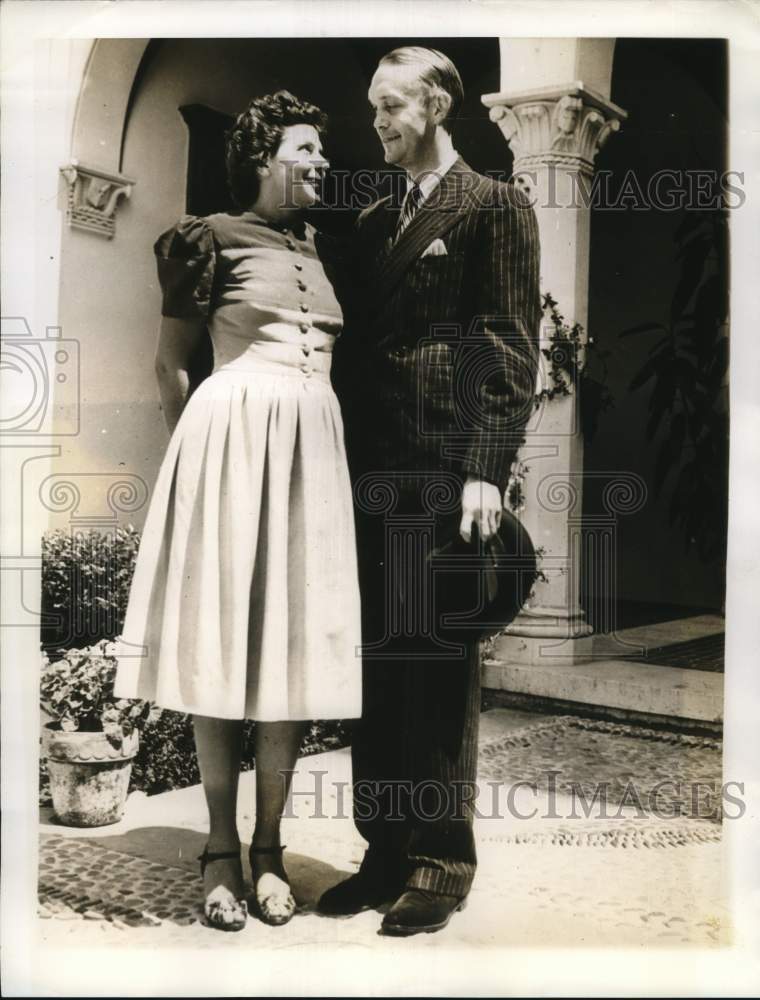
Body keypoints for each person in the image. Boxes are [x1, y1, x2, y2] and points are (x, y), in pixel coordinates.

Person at [115, 91, 362, 932]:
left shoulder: (323, 251)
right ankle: (220, 848)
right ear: (262, 157)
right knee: (221, 643)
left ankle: (269, 847)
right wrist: (202, 464)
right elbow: (169, 366)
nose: (321, 160)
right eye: (306, 146)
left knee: (292, 649)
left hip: (310, 457)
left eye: (321, 149)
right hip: (230, 447)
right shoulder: (205, 238)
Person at [322, 47, 541, 936]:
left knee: (438, 664)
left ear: (438, 103)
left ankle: (441, 863)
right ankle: (383, 851)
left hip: (441, 470)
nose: (377, 122)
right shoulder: (374, 221)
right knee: (378, 662)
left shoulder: (494, 205)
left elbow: (507, 340)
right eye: (372, 108)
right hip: (365, 471)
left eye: (391, 106)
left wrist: (486, 466)